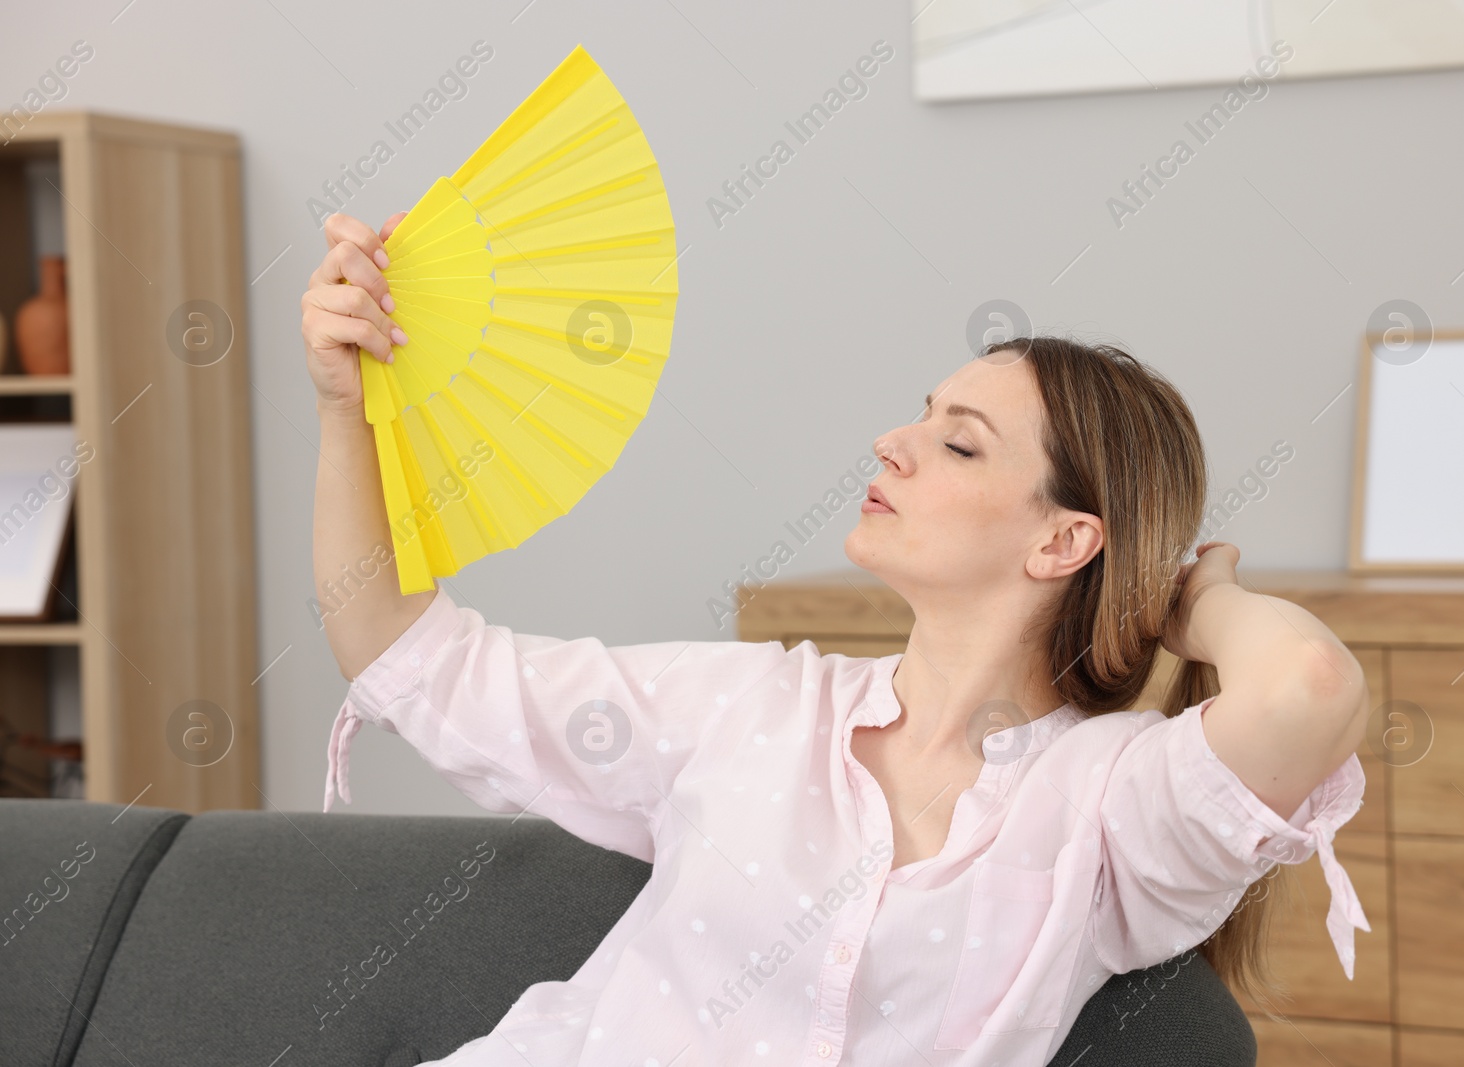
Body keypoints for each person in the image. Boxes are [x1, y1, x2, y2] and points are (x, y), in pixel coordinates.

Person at [303, 210, 1371, 1065]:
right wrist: (344, 406)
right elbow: (406, 651)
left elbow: (1308, 687)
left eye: (957, 442)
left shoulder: (1105, 808)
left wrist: (1196, 600)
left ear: (1063, 539)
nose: (890, 442)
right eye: (921, 415)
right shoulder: (747, 708)